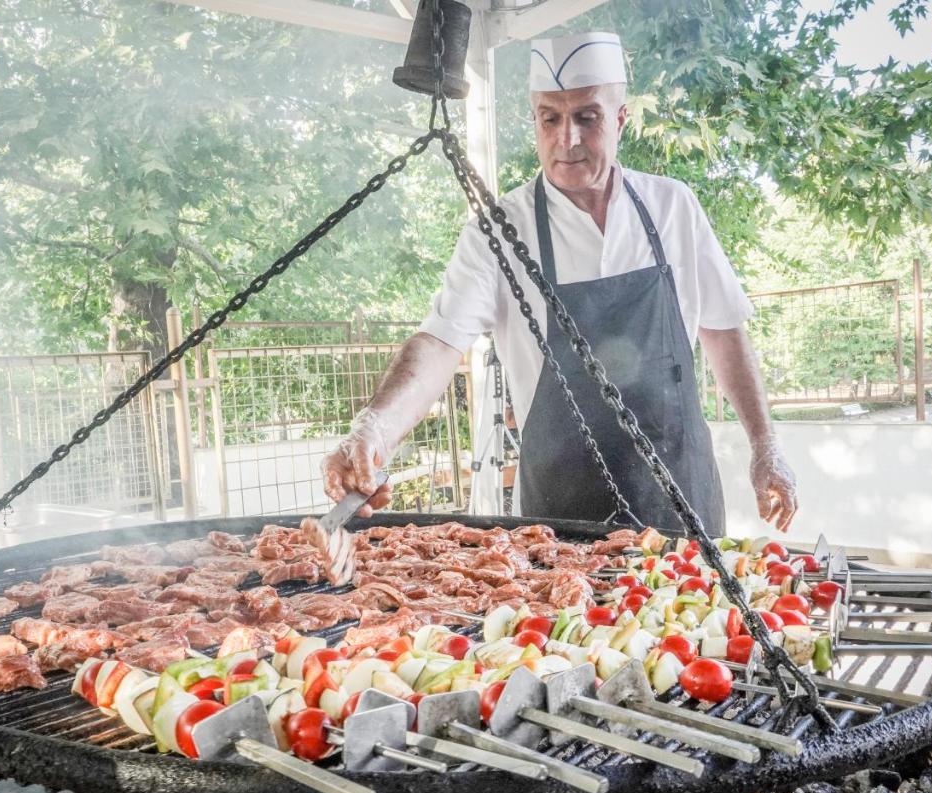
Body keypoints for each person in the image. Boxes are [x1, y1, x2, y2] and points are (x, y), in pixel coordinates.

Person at [322, 31, 797, 533]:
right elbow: (440, 342)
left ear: (619, 120)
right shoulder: (499, 227)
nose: (567, 139)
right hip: (558, 513)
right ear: (535, 121)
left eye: (586, 117)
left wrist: (765, 445)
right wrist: (376, 428)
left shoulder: (673, 205)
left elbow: (724, 330)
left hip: (680, 496)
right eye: (550, 118)